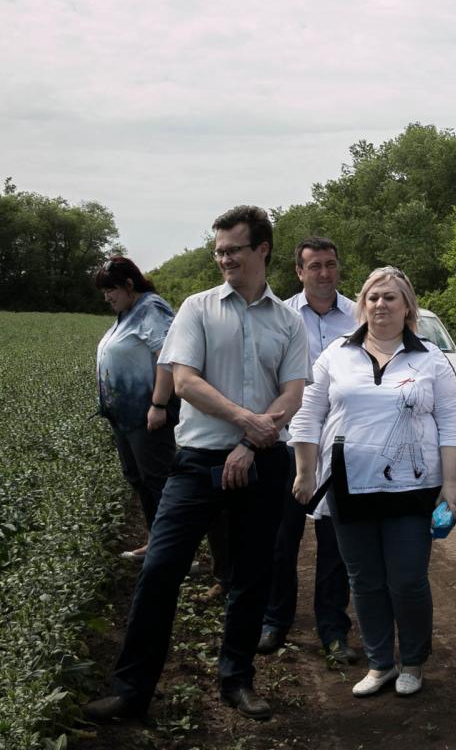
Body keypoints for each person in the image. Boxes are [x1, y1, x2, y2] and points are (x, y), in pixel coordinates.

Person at [83, 205, 309, 723]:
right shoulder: (196, 308)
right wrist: (244, 421)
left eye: (233, 249)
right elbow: (184, 381)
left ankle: (237, 679)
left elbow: (293, 392)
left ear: (262, 250)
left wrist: (252, 442)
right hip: (197, 460)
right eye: (219, 250)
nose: (223, 257)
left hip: (261, 462)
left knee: (251, 575)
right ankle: (132, 691)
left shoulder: (286, 320)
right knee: (160, 568)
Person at [290, 266, 456, 698]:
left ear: (408, 306)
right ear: (362, 305)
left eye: (390, 298)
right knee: (364, 580)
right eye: (372, 297)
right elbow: (308, 414)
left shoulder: (429, 358)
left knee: (407, 580)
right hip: (349, 487)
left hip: (412, 488)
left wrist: (453, 483)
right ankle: (380, 662)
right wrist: (304, 470)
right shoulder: (336, 354)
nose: (380, 305)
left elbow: (452, 420)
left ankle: (412, 661)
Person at [257, 238, 360, 667]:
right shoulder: (279, 317)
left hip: (339, 449)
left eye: (330, 265)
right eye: (314, 266)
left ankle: (333, 629)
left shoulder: (360, 317)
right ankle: (274, 620)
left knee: (335, 544)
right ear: (299, 272)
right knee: (281, 540)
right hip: (285, 445)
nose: (324, 273)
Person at [94, 257, 177, 561]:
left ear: (129, 285)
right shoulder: (128, 312)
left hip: (148, 415)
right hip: (126, 417)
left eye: (110, 290)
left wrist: (158, 404)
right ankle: (156, 541)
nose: (107, 297)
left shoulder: (151, 309)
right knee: (139, 479)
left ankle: (174, 550)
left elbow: (168, 359)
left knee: (159, 481)